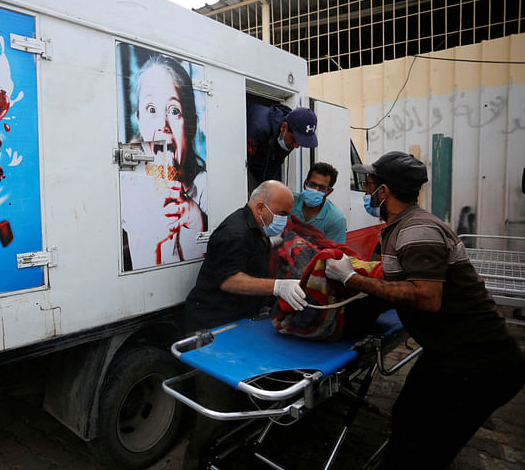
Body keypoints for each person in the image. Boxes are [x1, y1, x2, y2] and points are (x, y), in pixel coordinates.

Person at [324, 151, 525, 470]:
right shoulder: (401, 226)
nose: (366, 192)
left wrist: (350, 279)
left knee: (420, 450)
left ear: (384, 191)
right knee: (407, 413)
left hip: (480, 361)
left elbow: (427, 297)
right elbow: (397, 279)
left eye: (370, 185)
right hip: (449, 352)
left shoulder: (418, 230)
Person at [181, 180, 307, 469]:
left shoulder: (256, 228)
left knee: (240, 394)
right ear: (261, 207)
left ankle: (228, 451)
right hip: (209, 328)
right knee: (215, 406)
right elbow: (229, 279)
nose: (285, 219)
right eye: (283, 213)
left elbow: (254, 252)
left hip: (234, 325)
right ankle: (192, 460)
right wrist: (277, 286)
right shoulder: (235, 232)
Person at [122, 54, 207, 269]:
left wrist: (198, 221)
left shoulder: (204, 188)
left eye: (174, 111)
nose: (162, 124)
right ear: (139, 120)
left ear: (192, 124)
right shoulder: (125, 188)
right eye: (151, 110)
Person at [246, 103, 318, 186]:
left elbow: (271, 170)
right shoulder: (258, 127)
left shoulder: (286, 139)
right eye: (294, 140)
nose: (296, 146)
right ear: (283, 127)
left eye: (300, 142)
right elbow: (238, 164)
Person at [291, 162, 347, 243]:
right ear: (304, 184)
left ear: (329, 191)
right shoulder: (289, 202)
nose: (315, 190)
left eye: (322, 188)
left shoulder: (336, 220)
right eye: (312, 185)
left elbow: (334, 252)